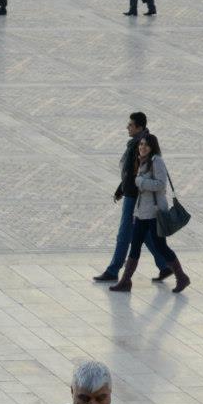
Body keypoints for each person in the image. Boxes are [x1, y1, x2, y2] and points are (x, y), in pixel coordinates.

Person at [111, 132, 185, 292]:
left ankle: (182, 277)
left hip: (154, 212)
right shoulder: (141, 161)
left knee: (161, 246)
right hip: (141, 212)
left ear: (152, 147)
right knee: (135, 245)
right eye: (140, 144)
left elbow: (160, 184)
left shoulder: (156, 161)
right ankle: (125, 281)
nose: (142, 147)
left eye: (145, 145)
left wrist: (141, 182)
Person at [92, 114, 148, 284]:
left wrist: (125, 189)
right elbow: (129, 172)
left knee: (124, 233)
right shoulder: (138, 142)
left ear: (138, 127)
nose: (127, 127)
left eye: (130, 125)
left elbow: (135, 172)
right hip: (132, 192)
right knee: (147, 234)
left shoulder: (141, 144)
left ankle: (113, 269)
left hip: (134, 195)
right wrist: (120, 188)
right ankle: (166, 266)